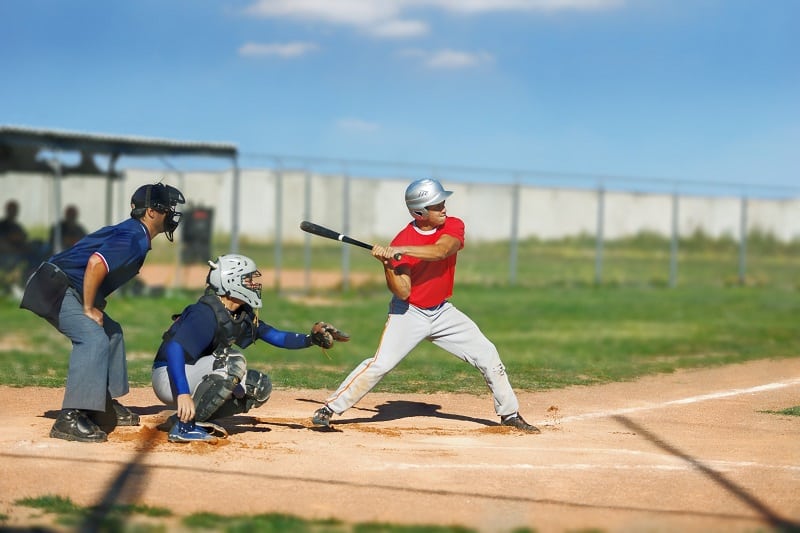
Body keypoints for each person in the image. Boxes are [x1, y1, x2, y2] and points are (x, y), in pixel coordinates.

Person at [312, 178, 540, 433]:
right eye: (436, 205)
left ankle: (509, 414)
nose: (444, 208)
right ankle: (329, 408)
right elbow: (403, 291)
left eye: (443, 202)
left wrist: (402, 251)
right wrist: (387, 263)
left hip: (442, 311)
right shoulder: (403, 237)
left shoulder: (452, 226)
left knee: (487, 354)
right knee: (381, 363)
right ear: (419, 213)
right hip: (409, 313)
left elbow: (442, 250)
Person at [19, 182, 186, 443]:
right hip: (53, 287)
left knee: (112, 333)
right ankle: (70, 418)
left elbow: (95, 265)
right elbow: (97, 262)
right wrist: (87, 307)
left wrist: (94, 300)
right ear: (151, 212)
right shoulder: (134, 237)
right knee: (93, 338)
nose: (172, 214)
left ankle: (101, 404)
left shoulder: (135, 233)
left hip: (63, 285)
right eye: (167, 208)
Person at [152, 253, 349, 443]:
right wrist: (183, 394)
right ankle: (185, 427)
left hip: (194, 372)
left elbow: (275, 335)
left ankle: (185, 418)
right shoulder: (205, 312)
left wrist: (311, 339)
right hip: (170, 375)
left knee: (258, 386)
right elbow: (174, 349)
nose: (253, 285)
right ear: (231, 281)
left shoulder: (239, 314)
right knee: (233, 361)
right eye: (247, 280)